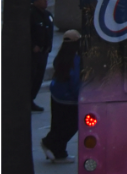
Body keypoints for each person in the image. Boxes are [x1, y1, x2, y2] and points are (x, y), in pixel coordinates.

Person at [41, 29, 82, 163]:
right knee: (71, 125)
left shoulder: (61, 56)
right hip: (69, 98)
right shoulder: (75, 59)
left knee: (58, 124)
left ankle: (57, 150)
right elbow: (75, 81)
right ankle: (52, 145)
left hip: (57, 95)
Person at [30, 0, 54, 111]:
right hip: (34, 54)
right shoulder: (31, 14)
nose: (46, 1)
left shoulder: (47, 15)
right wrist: (33, 45)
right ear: (36, 1)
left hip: (44, 52)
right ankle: (26, 100)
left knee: (38, 78)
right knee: (31, 77)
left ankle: (32, 99)